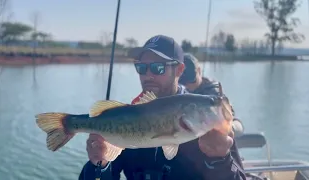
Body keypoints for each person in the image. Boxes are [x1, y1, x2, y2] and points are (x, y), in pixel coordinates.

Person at [78, 35, 246, 180]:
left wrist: (219, 160)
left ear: (179, 70)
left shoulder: (205, 120)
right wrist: (98, 164)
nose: (148, 75)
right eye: (141, 68)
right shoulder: (128, 119)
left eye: (158, 68)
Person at [179, 53, 245, 167]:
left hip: (217, 156)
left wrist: (223, 129)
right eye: (183, 81)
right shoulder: (178, 94)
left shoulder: (214, 96)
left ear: (199, 71)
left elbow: (237, 124)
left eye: (191, 80)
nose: (188, 86)